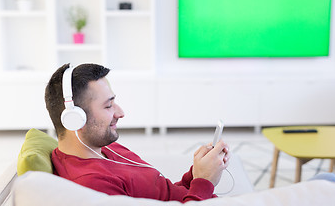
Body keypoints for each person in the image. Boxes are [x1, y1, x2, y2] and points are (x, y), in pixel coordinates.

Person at [45, 63, 231, 203]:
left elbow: (161, 195)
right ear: (75, 119)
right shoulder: (93, 185)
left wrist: (197, 174)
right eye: (108, 105)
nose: (120, 113)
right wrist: (205, 182)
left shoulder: (105, 147)